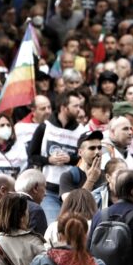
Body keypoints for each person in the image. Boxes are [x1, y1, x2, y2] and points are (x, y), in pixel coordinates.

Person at [29, 90, 87, 224]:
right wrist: (48, 160)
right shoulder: (45, 127)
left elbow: (86, 159)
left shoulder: (82, 131)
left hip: (73, 190)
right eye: (75, 106)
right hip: (49, 191)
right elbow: (32, 156)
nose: (79, 110)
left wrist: (70, 159)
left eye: (80, 106)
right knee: (52, 227)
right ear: (63, 108)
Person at [58, 131, 105, 201]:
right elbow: (72, 203)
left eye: (99, 148)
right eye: (92, 148)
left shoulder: (106, 174)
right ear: (80, 152)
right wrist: (91, 180)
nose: (97, 152)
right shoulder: (69, 176)